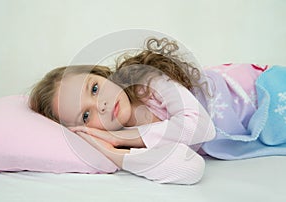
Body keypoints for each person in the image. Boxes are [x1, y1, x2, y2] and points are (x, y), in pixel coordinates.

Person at [29, 37, 286, 185]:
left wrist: (122, 138)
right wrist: (113, 152)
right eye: (86, 115)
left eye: (94, 89)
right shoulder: (132, 136)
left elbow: (201, 127)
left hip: (261, 89)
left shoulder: (143, 80)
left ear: (103, 75)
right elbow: (190, 169)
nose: (101, 105)